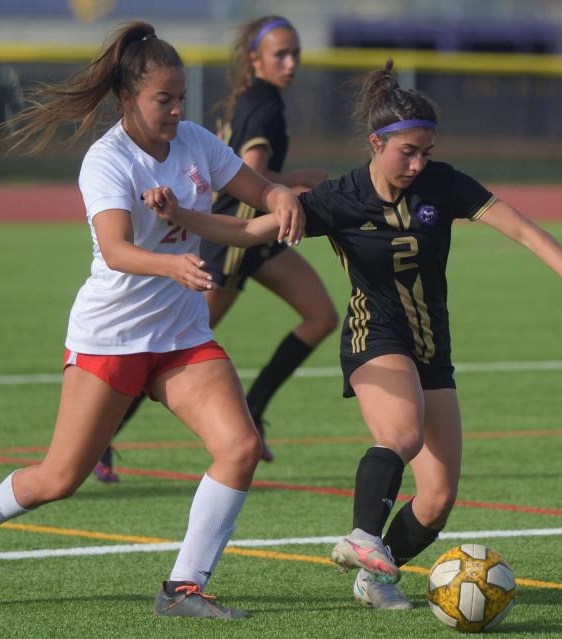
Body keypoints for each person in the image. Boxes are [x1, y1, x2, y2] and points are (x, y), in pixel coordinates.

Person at [139, 59, 562, 609]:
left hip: (433, 346)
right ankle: (363, 536)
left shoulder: (445, 184)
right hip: (374, 338)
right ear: (376, 143)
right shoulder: (339, 198)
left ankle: (374, 574)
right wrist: (181, 214)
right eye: (406, 152)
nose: (417, 163)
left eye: (425, 152)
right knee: (402, 433)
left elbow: (524, 230)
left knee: (436, 498)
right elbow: (248, 231)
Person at [0, 21, 304, 617]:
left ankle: (182, 589)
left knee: (238, 446)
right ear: (129, 98)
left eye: (181, 97)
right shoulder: (107, 160)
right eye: (164, 99)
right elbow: (116, 249)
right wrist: (172, 266)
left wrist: (282, 199)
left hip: (181, 336)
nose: (177, 109)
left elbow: (258, 189)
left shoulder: (197, 143)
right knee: (59, 478)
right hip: (113, 335)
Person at [92, 16, 336, 481]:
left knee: (321, 315)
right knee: (166, 349)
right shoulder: (261, 105)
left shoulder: (254, 101)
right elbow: (254, 171)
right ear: (255, 58)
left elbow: (255, 177)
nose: (290, 63)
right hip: (234, 235)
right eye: (280, 54)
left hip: (255, 234)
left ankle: (254, 409)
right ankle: (103, 435)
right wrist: (294, 183)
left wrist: (282, 190)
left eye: (296, 54)